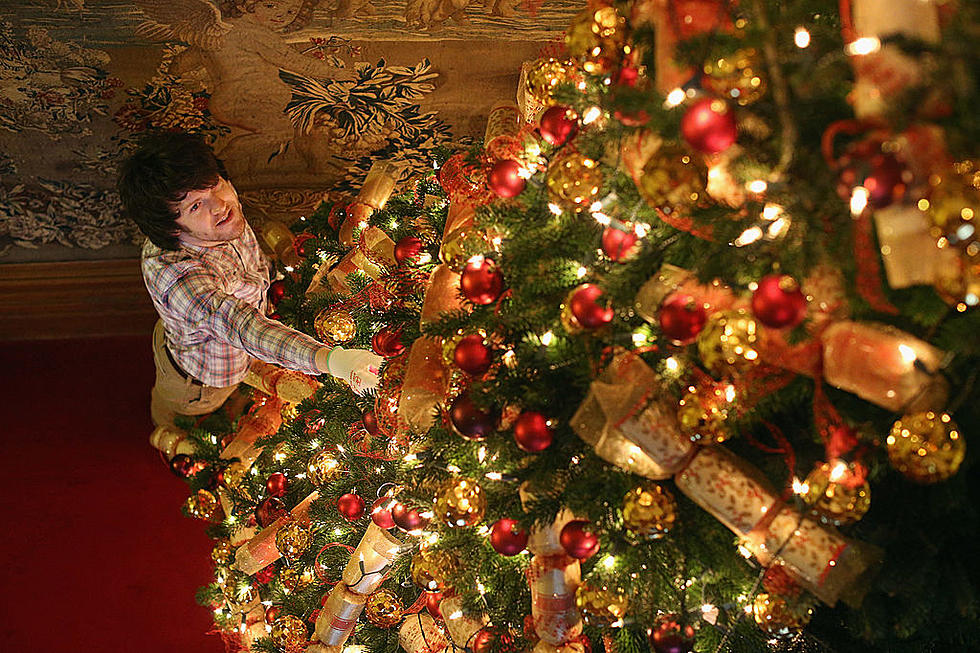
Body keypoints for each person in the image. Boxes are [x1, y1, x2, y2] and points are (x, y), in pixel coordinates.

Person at [117, 132, 381, 427]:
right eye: (195, 206)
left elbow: (253, 271)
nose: (219, 206)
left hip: (220, 345)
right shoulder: (180, 279)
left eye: (214, 185)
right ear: (173, 229)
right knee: (176, 418)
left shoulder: (221, 222)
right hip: (197, 381)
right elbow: (245, 327)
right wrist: (334, 361)